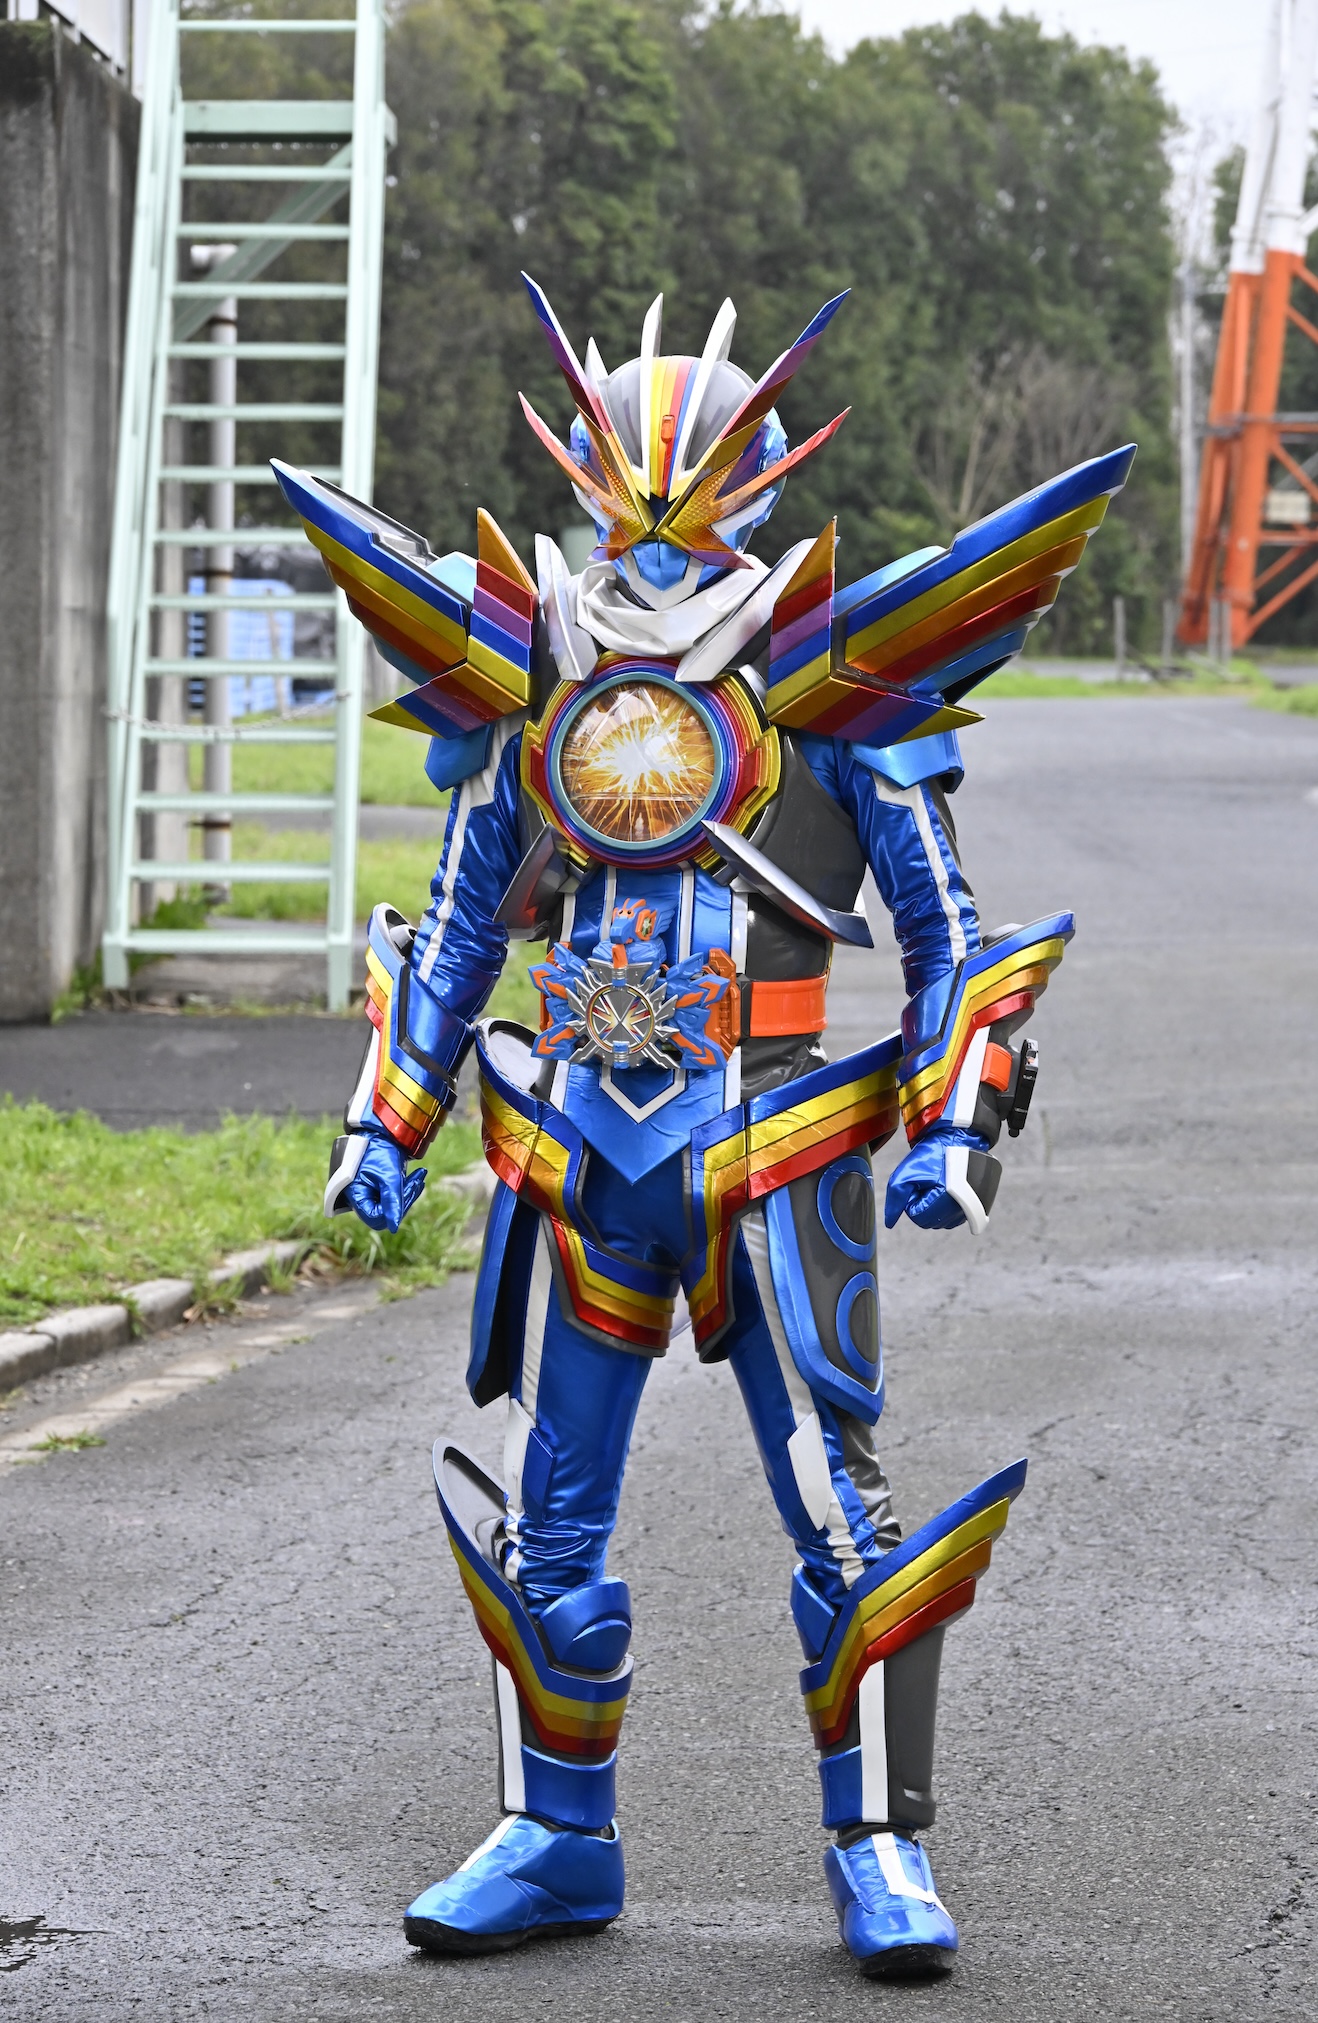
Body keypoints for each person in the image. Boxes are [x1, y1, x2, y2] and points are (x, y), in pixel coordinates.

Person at [274, 280, 1130, 1976]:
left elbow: (944, 928)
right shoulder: (532, 671)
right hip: (585, 1153)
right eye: (628, 490)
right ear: (587, 477)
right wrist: (389, 1120)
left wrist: (956, 1119)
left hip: (772, 1153)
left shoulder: (828, 667)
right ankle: (553, 1839)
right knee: (555, 1514)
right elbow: (457, 928)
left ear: (753, 478)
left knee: (836, 1511)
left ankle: (877, 1847)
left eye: (690, 490)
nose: (657, 532)